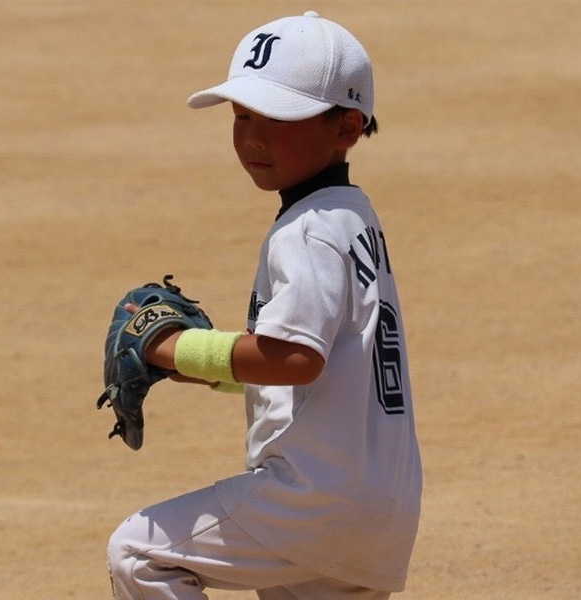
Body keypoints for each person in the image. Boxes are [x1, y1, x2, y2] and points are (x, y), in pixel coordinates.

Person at [107, 11, 423, 600]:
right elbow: (310, 366)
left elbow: (296, 359)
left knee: (138, 554)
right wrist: (196, 368)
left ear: (347, 127)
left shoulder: (305, 232)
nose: (252, 136)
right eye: (242, 115)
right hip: (379, 501)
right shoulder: (353, 217)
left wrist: (176, 348)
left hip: (312, 499)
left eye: (278, 117)